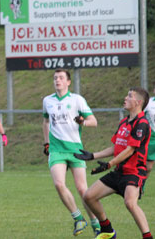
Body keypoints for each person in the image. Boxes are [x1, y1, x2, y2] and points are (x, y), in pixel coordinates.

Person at [74, 87, 153, 239]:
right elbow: (115, 147)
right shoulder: (124, 121)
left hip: (134, 172)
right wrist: (92, 156)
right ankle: (107, 230)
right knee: (89, 196)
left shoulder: (141, 123)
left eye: (129, 96)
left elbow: (130, 150)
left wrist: (109, 164)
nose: (125, 98)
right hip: (119, 172)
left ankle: (147, 236)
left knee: (130, 203)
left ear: (138, 102)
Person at [42, 69, 100, 236]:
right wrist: (46, 143)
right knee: (59, 184)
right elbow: (45, 122)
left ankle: (96, 223)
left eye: (61, 78)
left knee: (83, 190)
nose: (57, 80)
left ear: (68, 82)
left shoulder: (77, 100)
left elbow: (93, 121)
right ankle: (78, 218)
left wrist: (83, 122)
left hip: (75, 149)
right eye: (55, 78)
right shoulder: (48, 101)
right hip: (56, 149)